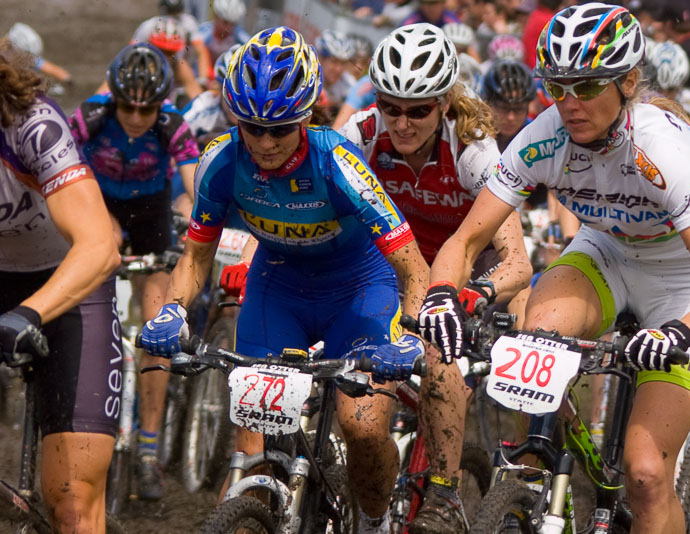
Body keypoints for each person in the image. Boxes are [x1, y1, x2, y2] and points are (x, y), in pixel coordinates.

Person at [419, 2, 690, 534]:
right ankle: (540, 472)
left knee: (645, 476)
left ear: (628, 82)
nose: (570, 104)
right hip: (607, 255)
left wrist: (679, 332)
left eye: (589, 86)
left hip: (682, 281)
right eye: (558, 87)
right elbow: (468, 238)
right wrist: (439, 295)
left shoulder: (663, 148)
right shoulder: (543, 137)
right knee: (537, 336)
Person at [138, 28, 432, 534]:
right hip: (279, 287)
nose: (267, 142)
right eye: (253, 128)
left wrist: (408, 333)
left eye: (281, 128)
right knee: (251, 451)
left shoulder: (338, 162)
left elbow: (411, 263)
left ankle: (375, 519)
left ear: (306, 117)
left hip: (360, 288)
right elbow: (194, 258)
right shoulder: (221, 162)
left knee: (361, 428)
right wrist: (174, 309)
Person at [340, 25, 533, 533]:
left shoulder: (474, 152)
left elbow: (517, 263)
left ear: (445, 103)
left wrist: (479, 294)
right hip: (388, 275)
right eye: (391, 106)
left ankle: (447, 493)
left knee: (443, 353)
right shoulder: (360, 136)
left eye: (418, 109)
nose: (401, 123)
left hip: (462, 276)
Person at [69, 44, 201, 501]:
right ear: (114, 99)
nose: (137, 117)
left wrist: (193, 222)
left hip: (151, 212)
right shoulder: (92, 115)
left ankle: (148, 448)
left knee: (157, 328)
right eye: (128, 105)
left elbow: (193, 188)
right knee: (96, 265)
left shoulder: (172, 125)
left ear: (162, 103)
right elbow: (58, 166)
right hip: (98, 204)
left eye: (148, 108)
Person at [0, 45, 122, 534]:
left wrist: (27, 315)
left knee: (72, 503)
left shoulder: (32, 126)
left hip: (66, 284)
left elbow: (99, 247)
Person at [194, 0, 250, 82]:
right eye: (225, 22)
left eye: (233, 24)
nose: (228, 27)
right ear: (215, 16)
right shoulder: (201, 33)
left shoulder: (243, 39)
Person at [481, 59, 536, 152]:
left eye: (518, 109)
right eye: (503, 108)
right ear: (487, 104)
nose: (511, 117)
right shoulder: (476, 135)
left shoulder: (536, 136)